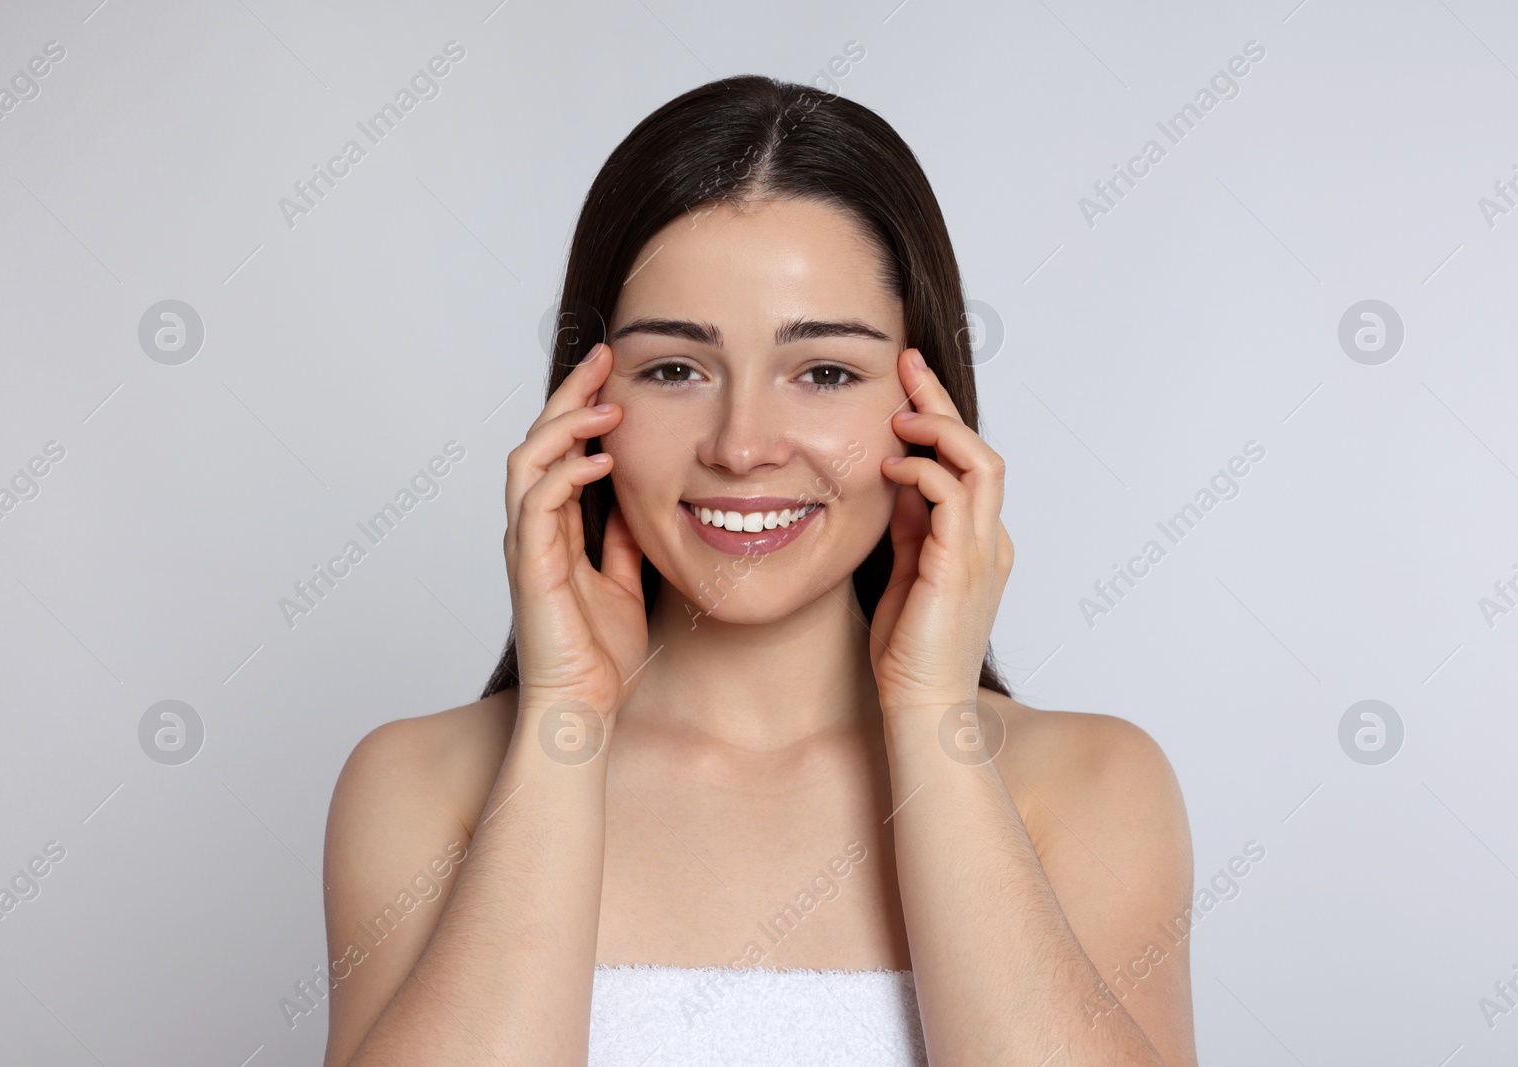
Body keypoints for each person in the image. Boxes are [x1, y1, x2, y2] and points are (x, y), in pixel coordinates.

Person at [320, 74, 1195, 1067]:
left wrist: (929, 712)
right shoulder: (421, 786)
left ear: (930, 410)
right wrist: (564, 715)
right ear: (582, 403)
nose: (742, 446)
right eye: (674, 369)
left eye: (823, 371)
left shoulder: (1087, 788)